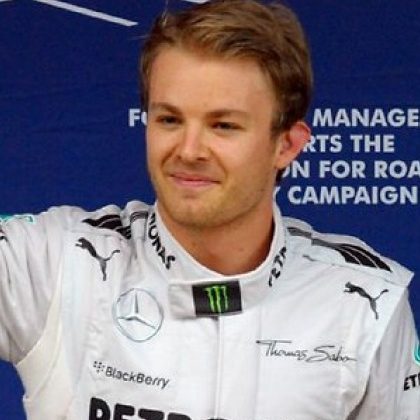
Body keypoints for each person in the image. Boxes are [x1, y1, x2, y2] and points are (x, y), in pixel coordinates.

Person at [0, 0, 418, 419]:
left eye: (223, 126)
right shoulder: (56, 263)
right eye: (169, 120)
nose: (189, 150)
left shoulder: (365, 303)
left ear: (287, 145)